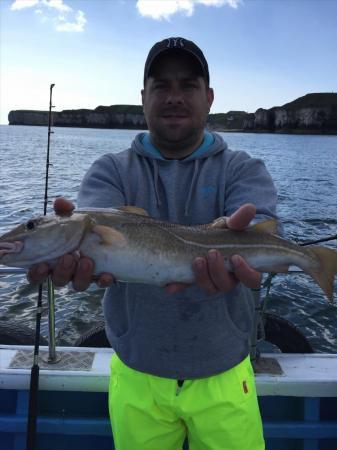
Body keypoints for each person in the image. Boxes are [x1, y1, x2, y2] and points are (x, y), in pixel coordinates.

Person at [29, 37, 278, 450]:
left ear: (209, 97)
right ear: (143, 97)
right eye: (161, 86)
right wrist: (70, 258)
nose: (174, 97)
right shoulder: (109, 171)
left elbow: (266, 225)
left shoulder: (243, 168)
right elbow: (94, 232)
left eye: (188, 85)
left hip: (225, 372)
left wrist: (245, 239)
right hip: (135, 371)